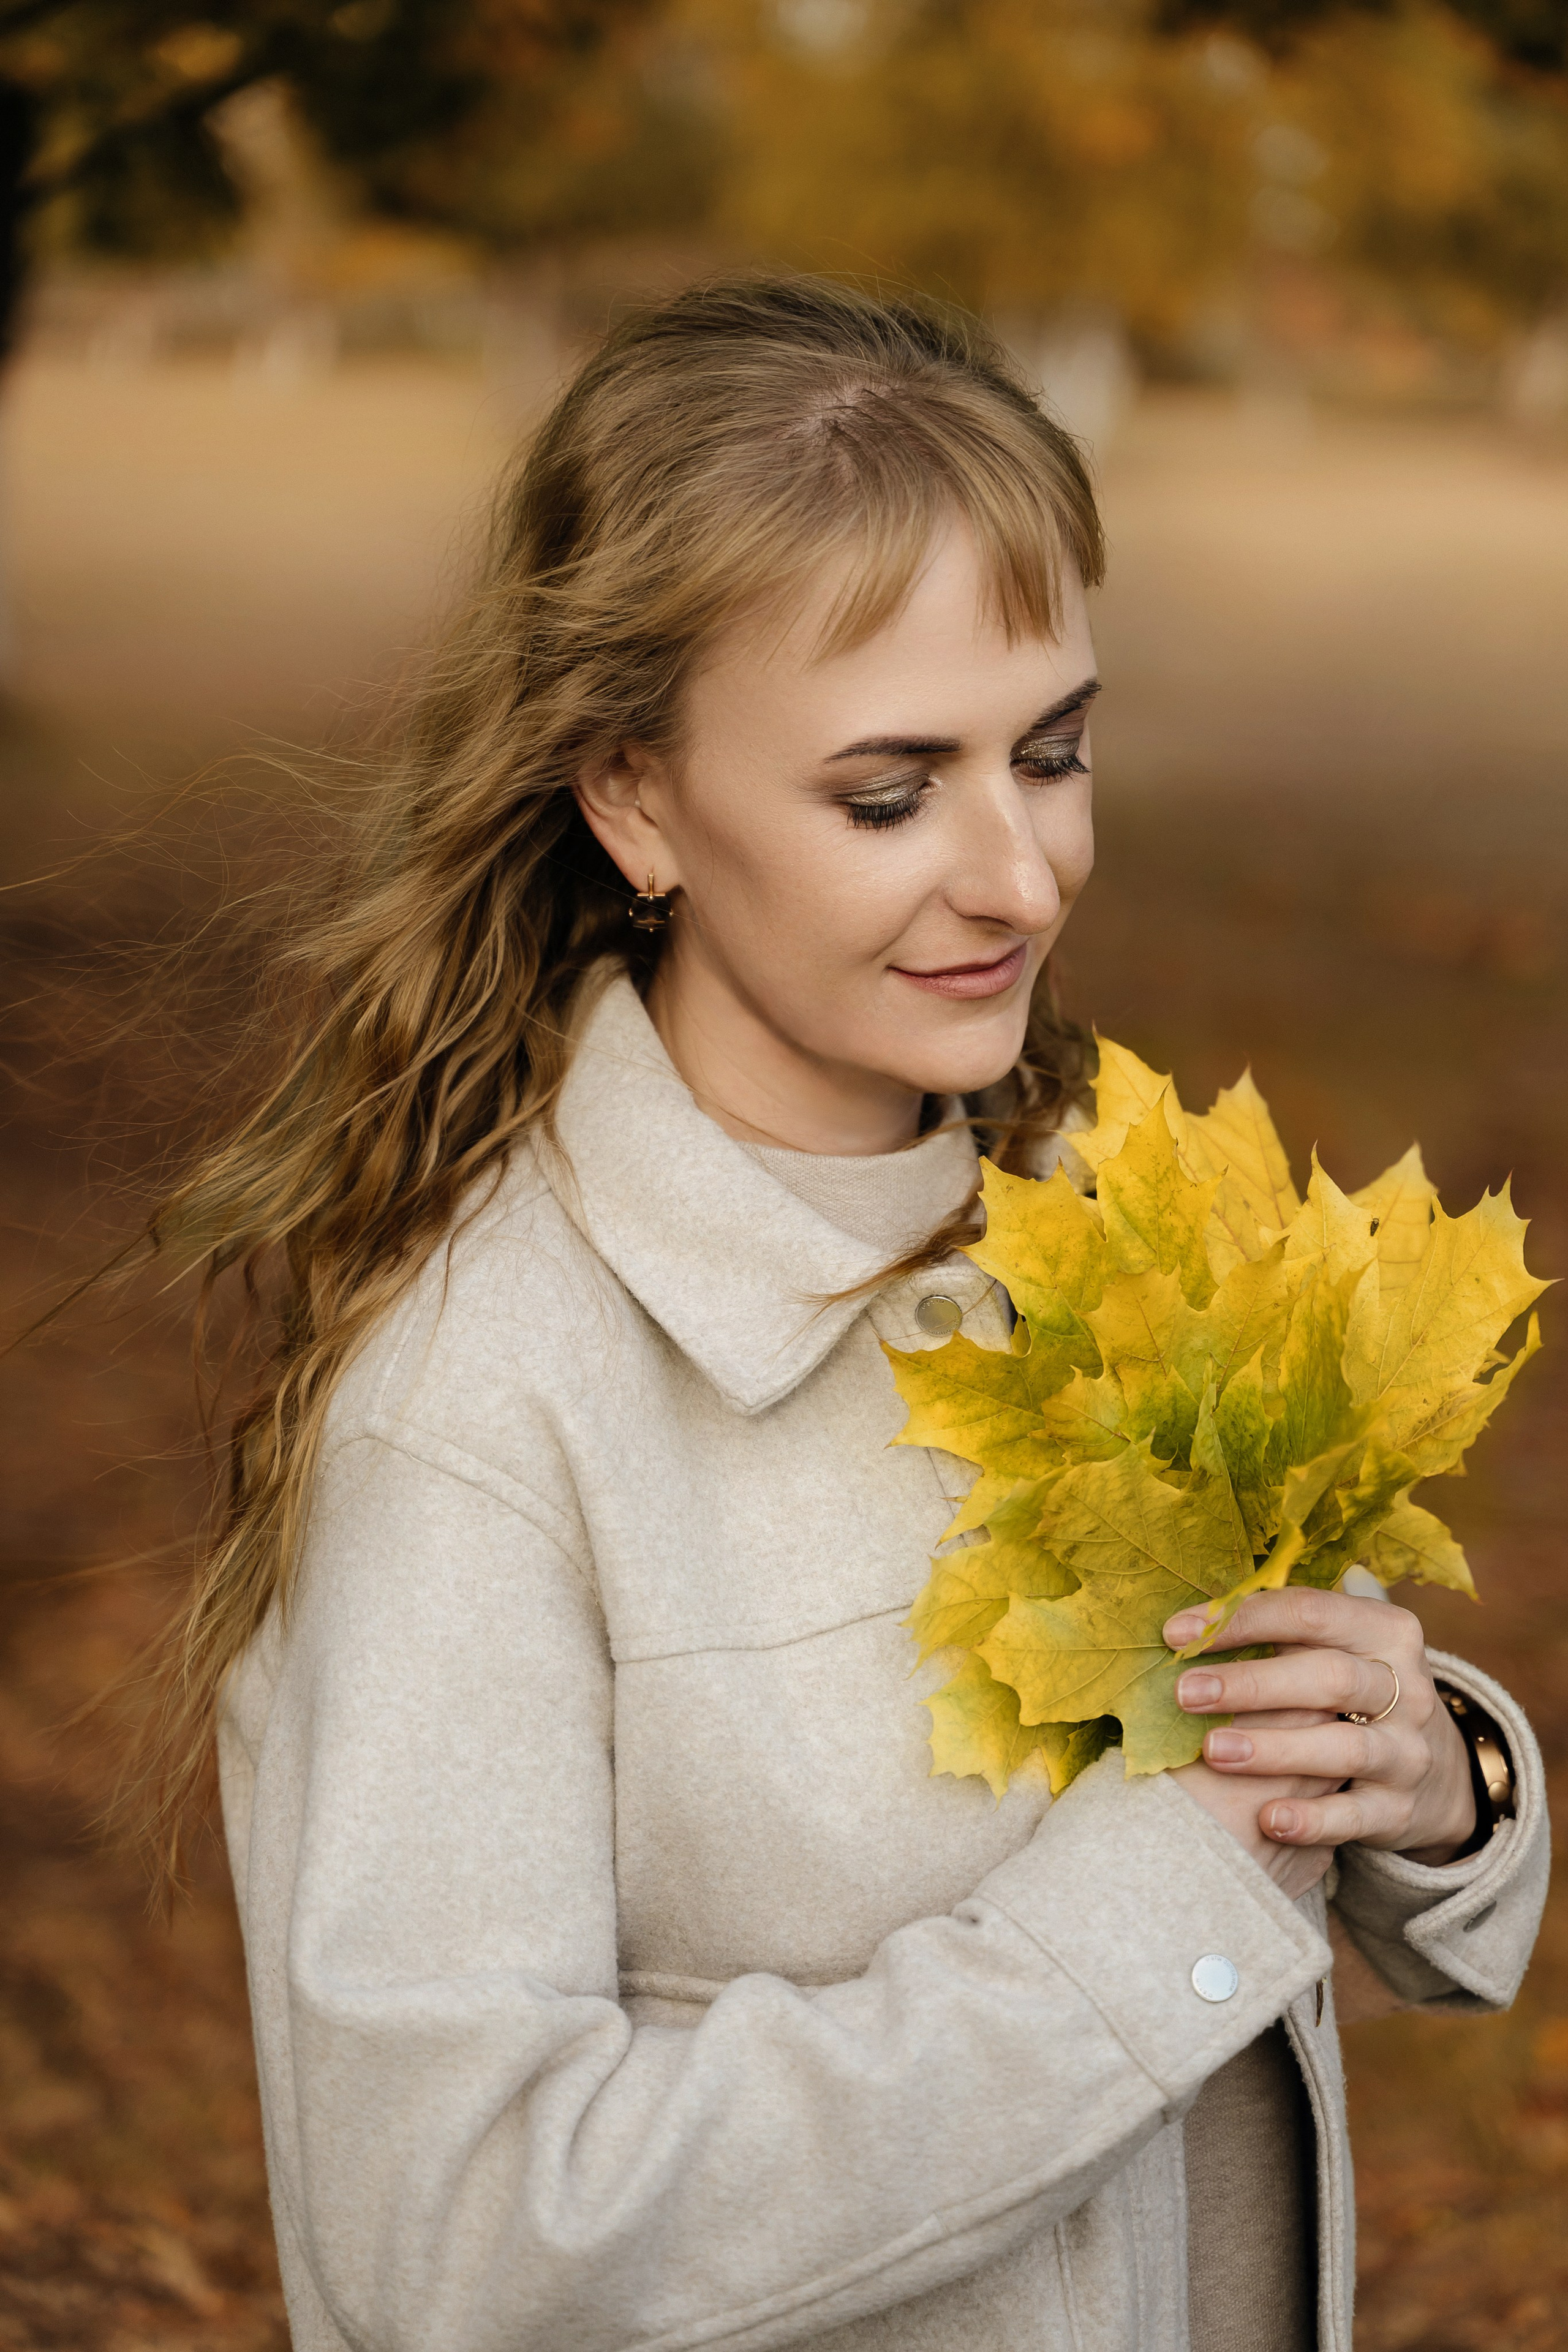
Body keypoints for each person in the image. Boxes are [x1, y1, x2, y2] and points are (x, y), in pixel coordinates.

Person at [146, 279, 1546, 2352]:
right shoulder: (480, 1408)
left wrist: (1435, 1783)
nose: (1023, 877)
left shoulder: (1100, 1208)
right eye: (891, 795)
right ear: (633, 797)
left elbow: (1267, 1767)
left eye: (1051, 753)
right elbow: (456, 2246)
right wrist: (1146, 1925)